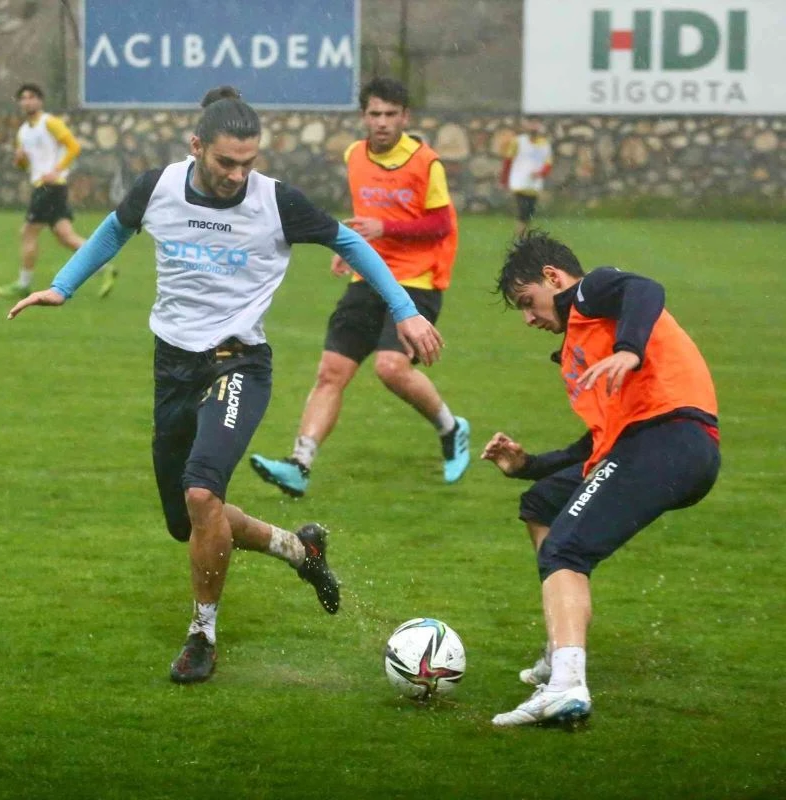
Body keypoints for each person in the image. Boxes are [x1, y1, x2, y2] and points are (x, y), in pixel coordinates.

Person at [7, 98, 444, 685]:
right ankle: (300, 550)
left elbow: (351, 242)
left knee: (201, 492)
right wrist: (63, 286)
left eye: (248, 162)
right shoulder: (157, 187)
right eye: (226, 162)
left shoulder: (277, 201)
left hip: (239, 364)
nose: (238, 174)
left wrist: (405, 310)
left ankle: (202, 635)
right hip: (173, 368)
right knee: (188, 521)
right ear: (196, 147)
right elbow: (114, 229)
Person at [481, 230, 720, 726]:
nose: (528, 318)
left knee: (565, 551)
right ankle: (560, 646)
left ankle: (566, 685)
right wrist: (529, 465)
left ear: (553, 278)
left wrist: (630, 349)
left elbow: (644, 288)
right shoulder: (581, 343)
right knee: (542, 504)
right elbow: (596, 444)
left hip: (669, 439)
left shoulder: (591, 292)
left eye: (527, 302)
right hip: (651, 445)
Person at [250, 77, 469, 498]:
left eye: (390, 114)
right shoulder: (355, 155)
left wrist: (384, 227)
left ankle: (451, 427)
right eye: (374, 114)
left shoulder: (426, 163)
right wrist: (353, 251)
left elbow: (441, 224)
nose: (382, 122)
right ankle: (299, 464)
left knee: (390, 367)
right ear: (363, 116)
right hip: (368, 278)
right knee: (330, 371)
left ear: (405, 117)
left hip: (417, 281)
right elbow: (363, 219)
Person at [0, 83, 117, 301]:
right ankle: (106, 268)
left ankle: (23, 284)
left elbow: (73, 146)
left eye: (32, 97)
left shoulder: (49, 122)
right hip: (45, 186)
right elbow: (26, 166)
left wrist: (57, 170)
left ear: (40, 101)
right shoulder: (23, 132)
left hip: (49, 186)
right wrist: (20, 160)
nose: (27, 101)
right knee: (65, 236)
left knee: (28, 232)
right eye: (23, 98)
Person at [499, 117, 553, 237]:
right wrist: (504, 180)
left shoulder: (544, 144)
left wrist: (540, 173)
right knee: (523, 210)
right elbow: (508, 161)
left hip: (534, 185)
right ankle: (520, 235)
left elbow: (548, 164)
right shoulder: (518, 142)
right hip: (520, 183)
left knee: (530, 211)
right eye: (532, 123)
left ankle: (523, 235)